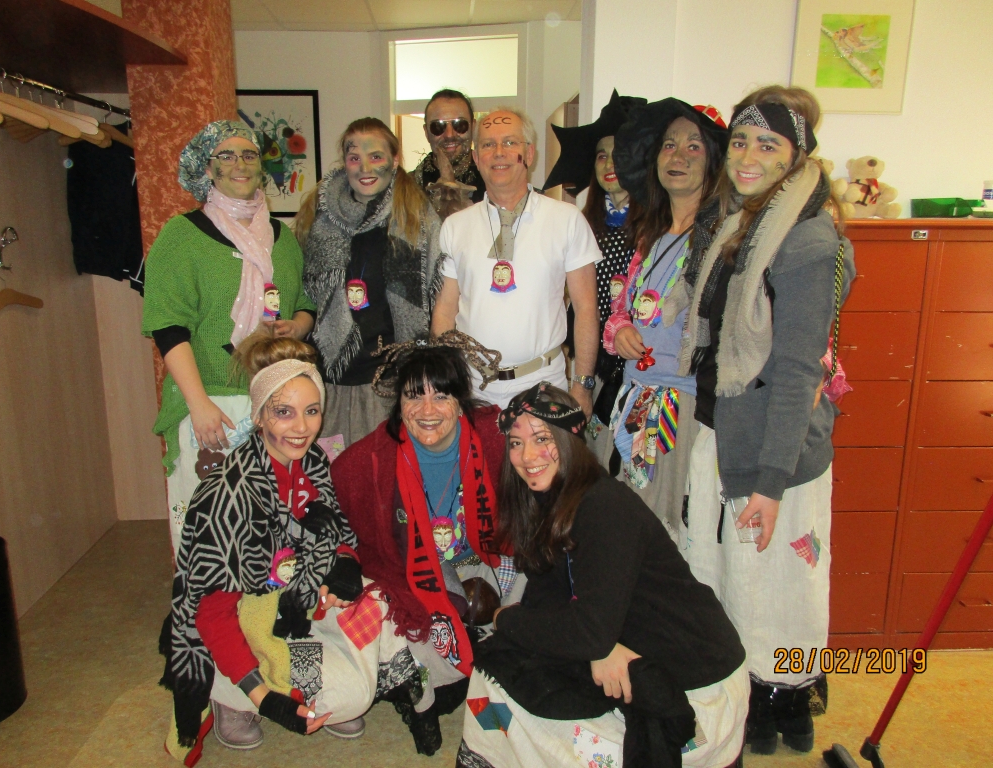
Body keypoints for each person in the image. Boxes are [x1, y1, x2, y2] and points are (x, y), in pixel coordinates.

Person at [663, 85, 855, 755]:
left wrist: (771, 485)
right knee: (729, 575)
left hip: (777, 451)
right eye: (740, 141)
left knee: (779, 584)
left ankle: (786, 705)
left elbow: (798, 371)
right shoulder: (734, 222)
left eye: (767, 144)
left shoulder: (807, 237)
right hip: (723, 429)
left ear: (796, 155)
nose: (747, 156)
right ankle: (748, 702)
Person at [457, 383, 748, 768]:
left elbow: (588, 633)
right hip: (625, 642)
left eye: (542, 439)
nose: (527, 456)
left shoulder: (604, 506)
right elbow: (546, 603)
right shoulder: (549, 502)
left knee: (512, 663)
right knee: (503, 660)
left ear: (570, 440)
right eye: (515, 443)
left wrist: (502, 617)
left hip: (696, 676)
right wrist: (597, 646)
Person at [160, 333, 421, 761]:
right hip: (237, 619)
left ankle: (313, 681)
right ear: (260, 416)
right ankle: (230, 692)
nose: (301, 428)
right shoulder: (228, 496)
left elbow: (336, 532)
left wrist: (345, 563)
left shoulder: (312, 463)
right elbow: (210, 614)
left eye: (311, 411)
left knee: (379, 603)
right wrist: (266, 700)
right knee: (352, 696)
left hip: (290, 602)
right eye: (284, 412)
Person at [330, 333, 523, 756]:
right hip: (416, 567)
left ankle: (473, 660)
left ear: (461, 400)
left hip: (481, 552)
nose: (427, 410)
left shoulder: (492, 439)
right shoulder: (371, 460)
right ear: (398, 403)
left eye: (441, 396)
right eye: (414, 396)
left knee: (532, 595)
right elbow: (337, 505)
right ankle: (431, 688)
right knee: (421, 628)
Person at [142, 120, 315, 553]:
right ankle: (204, 596)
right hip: (212, 403)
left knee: (271, 525)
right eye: (226, 156)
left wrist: (297, 325)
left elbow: (304, 302)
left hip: (274, 402)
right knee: (208, 524)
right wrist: (198, 404)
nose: (240, 164)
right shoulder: (182, 237)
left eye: (249, 155)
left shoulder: (281, 238)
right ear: (207, 169)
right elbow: (167, 327)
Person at [596, 99, 728, 543]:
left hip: (681, 408)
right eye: (670, 145)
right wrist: (621, 330)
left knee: (667, 530)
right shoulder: (650, 237)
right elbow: (623, 309)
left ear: (713, 162)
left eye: (694, 146)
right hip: (636, 397)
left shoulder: (721, 239)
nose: (679, 155)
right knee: (634, 522)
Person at [432, 107, 602, 415]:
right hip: (474, 390)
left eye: (510, 142)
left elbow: (587, 308)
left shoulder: (566, 220)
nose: (499, 152)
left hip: (543, 385)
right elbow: (445, 310)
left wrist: (582, 385)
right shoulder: (455, 226)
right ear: (476, 158)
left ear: (530, 153)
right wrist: (445, 383)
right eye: (488, 144)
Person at [296, 117, 443, 450]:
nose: (365, 168)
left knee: (387, 473)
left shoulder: (418, 218)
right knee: (335, 473)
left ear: (395, 159)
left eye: (376, 156)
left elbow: (440, 302)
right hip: (332, 377)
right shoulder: (317, 216)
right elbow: (306, 297)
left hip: (392, 380)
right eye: (354, 158)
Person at [542, 90, 647, 424]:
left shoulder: (658, 226)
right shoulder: (580, 225)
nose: (610, 164)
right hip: (589, 365)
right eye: (601, 156)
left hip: (637, 363)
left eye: (619, 155)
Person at [413, 89, 486, 204]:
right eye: (438, 126)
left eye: (460, 124)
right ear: (426, 132)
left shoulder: (493, 181)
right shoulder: (408, 188)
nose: (449, 135)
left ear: (473, 127)